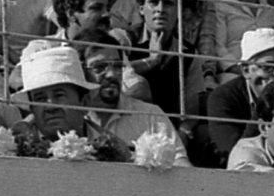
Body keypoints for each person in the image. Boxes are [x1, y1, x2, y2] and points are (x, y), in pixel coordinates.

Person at [72, 34, 189, 163]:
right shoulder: (68, 116)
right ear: (80, 72)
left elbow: (181, 166)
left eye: (117, 66)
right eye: (99, 67)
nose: (112, 75)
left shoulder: (150, 115)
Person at [192, 27, 274, 167]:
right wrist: (266, 103)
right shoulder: (222, 98)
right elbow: (233, 154)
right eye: (268, 67)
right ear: (245, 70)